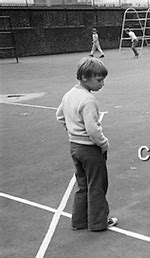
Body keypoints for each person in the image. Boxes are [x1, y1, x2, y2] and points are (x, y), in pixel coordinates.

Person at [56, 57, 118, 232]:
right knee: (97, 185)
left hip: (75, 147)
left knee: (82, 185)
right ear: (85, 77)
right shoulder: (88, 100)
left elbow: (59, 116)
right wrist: (104, 144)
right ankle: (98, 223)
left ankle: (79, 221)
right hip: (90, 149)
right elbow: (92, 130)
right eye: (99, 80)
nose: (102, 84)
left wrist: (72, 132)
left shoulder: (69, 95)